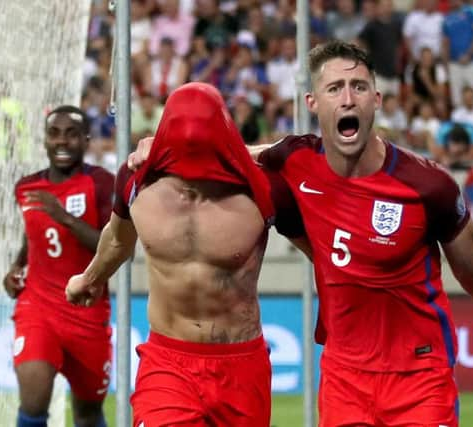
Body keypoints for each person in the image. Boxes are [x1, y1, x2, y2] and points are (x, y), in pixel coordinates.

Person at [129, 41, 473, 427]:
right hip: (345, 374)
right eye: (334, 88)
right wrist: (166, 146)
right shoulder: (295, 159)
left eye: (359, 87)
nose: (347, 98)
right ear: (313, 103)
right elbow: (231, 150)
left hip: (419, 371)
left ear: (376, 99)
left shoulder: (428, 186)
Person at [65, 82, 306, 427]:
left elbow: (319, 253)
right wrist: (90, 278)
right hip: (168, 363)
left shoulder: (264, 189)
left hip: (240, 367)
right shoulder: (136, 183)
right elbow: (118, 240)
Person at [3, 105, 115, 427]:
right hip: (38, 308)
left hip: (87, 313)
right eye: (54, 133)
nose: (62, 141)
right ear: (45, 140)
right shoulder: (26, 188)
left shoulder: (102, 184)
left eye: (71, 134)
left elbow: (113, 248)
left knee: (87, 413)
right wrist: (15, 268)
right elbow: (32, 240)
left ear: (86, 140)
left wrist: (64, 216)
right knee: (33, 401)